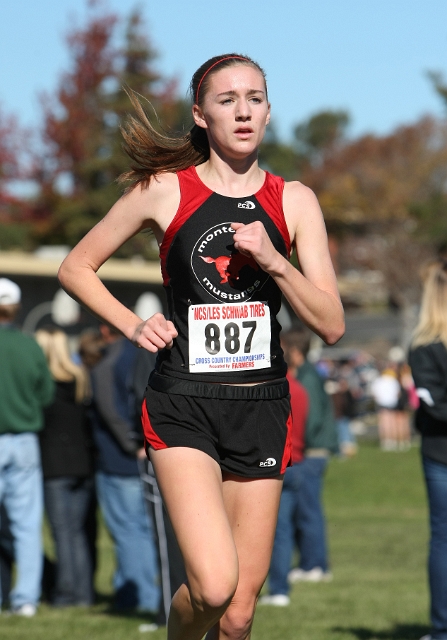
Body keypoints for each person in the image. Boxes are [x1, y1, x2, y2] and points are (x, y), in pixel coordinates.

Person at [58, 53, 344, 640]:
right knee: (212, 587)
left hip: (263, 406)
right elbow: (77, 266)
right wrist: (132, 324)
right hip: (183, 402)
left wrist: (274, 263)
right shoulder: (165, 191)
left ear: (268, 112)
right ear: (200, 115)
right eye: (227, 100)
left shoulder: (295, 201)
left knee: (238, 615)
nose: (243, 111)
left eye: (255, 99)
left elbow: (332, 324)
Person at [90, 324, 160, 614]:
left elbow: (110, 410)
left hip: (122, 459)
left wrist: (134, 443)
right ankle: (136, 592)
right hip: (148, 454)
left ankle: (141, 596)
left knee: (129, 529)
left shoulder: (109, 362)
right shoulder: (145, 356)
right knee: (143, 528)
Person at [0, 278, 55, 616]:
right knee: (27, 526)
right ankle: (26, 600)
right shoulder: (29, 345)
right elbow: (45, 395)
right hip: (24, 441)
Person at [35, 327, 95, 607]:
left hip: (55, 468)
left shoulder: (44, 387)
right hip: (82, 466)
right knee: (77, 533)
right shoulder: (80, 379)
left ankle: (66, 593)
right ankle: (84, 595)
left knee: (62, 534)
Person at [278, 327, 338, 585]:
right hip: (309, 452)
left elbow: (309, 420)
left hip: (311, 452)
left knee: (308, 511)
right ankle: (309, 562)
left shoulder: (307, 378)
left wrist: (295, 444)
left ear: (293, 350)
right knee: (304, 510)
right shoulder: (305, 374)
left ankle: (315, 564)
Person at [408, 259, 447, 640]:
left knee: (442, 539)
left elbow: (433, 404)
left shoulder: (423, 347)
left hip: (438, 452)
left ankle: (442, 629)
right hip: (440, 453)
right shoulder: (425, 347)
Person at [258, 330, 309, 606]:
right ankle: (280, 587)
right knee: (284, 529)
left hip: (277, 461)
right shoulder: (299, 389)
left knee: (273, 532)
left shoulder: (274, 389)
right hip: (297, 460)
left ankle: (277, 588)